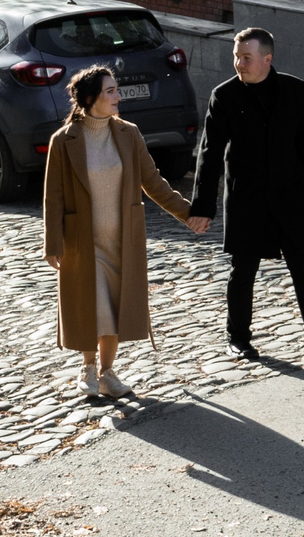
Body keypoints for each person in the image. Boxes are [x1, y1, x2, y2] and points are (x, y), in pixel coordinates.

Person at [189, 26, 304, 367]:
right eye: (236, 56)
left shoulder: (294, 90)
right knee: (242, 271)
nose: (239, 64)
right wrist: (203, 206)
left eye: (246, 57)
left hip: (290, 198)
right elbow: (209, 153)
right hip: (247, 200)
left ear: (267, 58)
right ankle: (238, 339)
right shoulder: (224, 96)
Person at [42, 64, 196, 399]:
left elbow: (152, 182)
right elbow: (52, 196)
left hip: (122, 240)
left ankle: (107, 373)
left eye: (116, 89)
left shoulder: (128, 134)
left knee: (113, 306)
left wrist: (189, 213)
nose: (118, 96)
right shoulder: (64, 140)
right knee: (91, 305)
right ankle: (87, 369)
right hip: (82, 242)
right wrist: (52, 243)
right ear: (90, 98)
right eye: (110, 91)